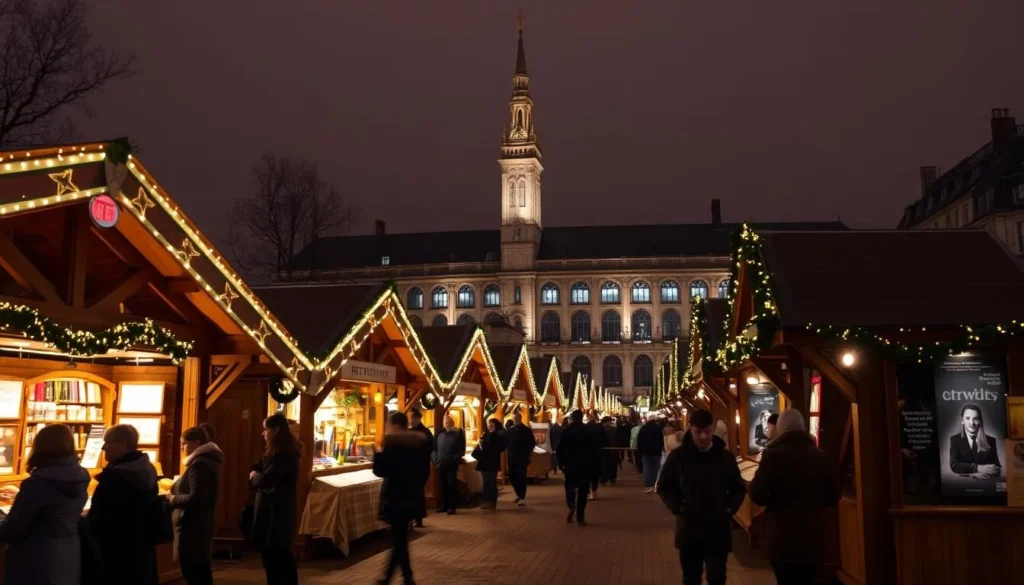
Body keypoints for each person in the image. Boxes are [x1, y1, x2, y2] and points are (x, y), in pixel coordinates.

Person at [657, 409, 746, 585]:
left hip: (717, 529)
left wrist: (729, 508)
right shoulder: (679, 457)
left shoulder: (725, 457)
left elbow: (738, 488)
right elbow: (665, 486)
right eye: (698, 432)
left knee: (717, 577)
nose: (703, 437)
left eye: (707, 431)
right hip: (690, 529)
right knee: (690, 578)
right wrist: (679, 507)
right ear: (690, 429)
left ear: (713, 429)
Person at [750, 410, 839, 585]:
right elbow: (833, 495)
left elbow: (757, 495)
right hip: (813, 537)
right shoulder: (821, 457)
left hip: (781, 538)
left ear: (782, 429)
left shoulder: (773, 455)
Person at [0, 424, 89, 585]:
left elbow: (13, 528)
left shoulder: (38, 482)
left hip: (34, 558)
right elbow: (55, 508)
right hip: (68, 554)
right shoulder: (81, 476)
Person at [89, 423, 160, 585]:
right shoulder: (145, 470)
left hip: (117, 553)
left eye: (108, 442)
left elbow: (100, 520)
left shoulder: (116, 478)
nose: (103, 447)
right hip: (141, 552)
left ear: (122, 444)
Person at [374, 411, 427, 585]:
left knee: (399, 539)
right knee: (400, 538)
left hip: (395, 495)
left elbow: (381, 470)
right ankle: (406, 576)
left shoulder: (392, 443)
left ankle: (391, 577)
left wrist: (378, 453)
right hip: (411, 494)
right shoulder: (417, 443)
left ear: (394, 425)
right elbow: (422, 470)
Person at [168, 426, 223, 585]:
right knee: (201, 570)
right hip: (201, 523)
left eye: (184, 443)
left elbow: (196, 497)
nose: (181, 447)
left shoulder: (199, 464)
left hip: (192, 526)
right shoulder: (209, 460)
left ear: (197, 442)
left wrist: (172, 499)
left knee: (194, 571)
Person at [250, 413, 301, 585]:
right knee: (274, 558)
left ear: (276, 430)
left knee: (277, 558)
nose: (263, 434)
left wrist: (255, 477)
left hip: (276, 514)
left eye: (266, 429)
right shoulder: (277, 452)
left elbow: (267, 479)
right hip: (273, 512)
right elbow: (259, 467)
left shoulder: (284, 454)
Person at [556, 410, 599, 526]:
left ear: (572, 418)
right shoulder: (588, 431)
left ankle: (571, 504)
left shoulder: (566, 430)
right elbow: (595, 449)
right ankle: (580, 517)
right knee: (583, 491)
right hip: (586, 465)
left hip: (570, 464)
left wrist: (560, 464)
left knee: (569, 487)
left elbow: (560, 448)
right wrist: (595, 464)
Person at [949, 403, 1002, 478]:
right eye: (967, 418)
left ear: (980, 421)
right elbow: (954, 465)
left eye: (975, 418)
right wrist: (977, 470)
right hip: (963, 485)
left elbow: (997, 467)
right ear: (962, 421)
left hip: (986, 484)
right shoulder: (955, 439)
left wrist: (991, 471)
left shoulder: (991, 441)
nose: (972, 423)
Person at [432, 415, 465, 515]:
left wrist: (454, 460)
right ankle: (444, 505)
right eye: (445, 420)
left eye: (448, 420)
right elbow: (434, 448)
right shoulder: (439, 433)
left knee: (451, 485)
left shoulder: (458, 433)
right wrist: (435, 459)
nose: (446, 422)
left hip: (451, 463)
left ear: (452, 421)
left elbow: (461, 450)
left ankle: (452, 506)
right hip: (440, 463)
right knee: (443, 485)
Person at [472, 418, 506, 510]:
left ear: (496, 426)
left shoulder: (498, 436)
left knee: (491, 482)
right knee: (485, 482)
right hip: (484, 461)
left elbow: (501, 447)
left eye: (491, 426)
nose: (489, 427)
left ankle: (492, 502)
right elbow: (481, 444)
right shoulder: (485, 434)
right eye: (488, 425)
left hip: (492, 462)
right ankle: (486, 501)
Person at [408, 409, 433, 527]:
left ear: (418, 419)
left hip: (420, 467)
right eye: (411, 419)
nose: (412, 421)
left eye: (413, 419)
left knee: (418, 492)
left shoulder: (426, 432)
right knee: (414, 493)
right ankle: (414, 517)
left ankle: (418, 518)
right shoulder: (409, 432)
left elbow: (430, 448)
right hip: (412, 467)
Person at [505, 412, 536, 506]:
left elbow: (532, 442)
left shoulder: (526, 430)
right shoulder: (510, 430)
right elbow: (506, 442)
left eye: (517, 419)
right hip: (511, 457)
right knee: (512, 476)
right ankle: (518, 494)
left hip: (522, 457)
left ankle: (522, 497)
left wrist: (527, 452)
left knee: (521, 477)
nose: (515, 421)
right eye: (514, 419)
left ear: (520, 419)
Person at [637, 413, 665, 493]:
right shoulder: (658, 428)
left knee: (647, 468)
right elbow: (661, 440)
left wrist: (640, 450)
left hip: (645, 451)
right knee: (656, 468)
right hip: (656, 452)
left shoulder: (643, 428)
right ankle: (655, 484)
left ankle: (649, 485)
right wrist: (661, 448)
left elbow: (639, 440)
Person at [586, 412, 607, 498]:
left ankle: (587, 491)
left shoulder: (585, 427)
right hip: (598, 453)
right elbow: (605, 439)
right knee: (596, 473)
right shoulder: (600, 427)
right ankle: (594, 490)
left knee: (586, 473)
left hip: (586, 454)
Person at [600, 416, 618, 486]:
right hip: (613, 449)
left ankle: (604, 478)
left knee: (604, 464)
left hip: (604, 449)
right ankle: (612, 478)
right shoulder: (614, 429)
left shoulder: (601, 429)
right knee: (612, 464)